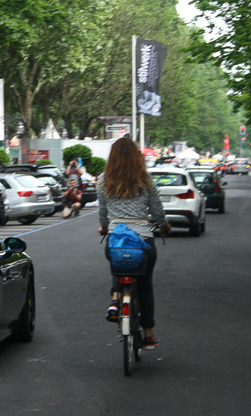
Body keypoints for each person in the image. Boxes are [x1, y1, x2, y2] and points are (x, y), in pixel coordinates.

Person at [97, 137, 171, 350]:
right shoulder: (145, 180)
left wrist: (104, 227)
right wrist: (164, 225)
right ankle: (148, 334)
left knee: (118, 264)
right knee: (145, 285)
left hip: (115, 237)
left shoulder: (104, 180)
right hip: (143, 239)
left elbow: (103, 212)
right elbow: (157, 211)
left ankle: (115, 300)